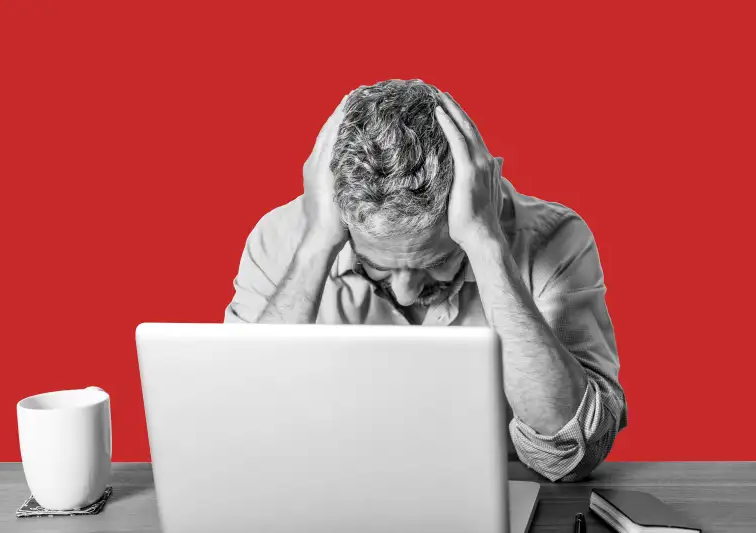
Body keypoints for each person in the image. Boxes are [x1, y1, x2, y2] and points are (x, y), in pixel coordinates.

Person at [224, 79, 627, 482]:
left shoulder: (553, 239)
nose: (405, 292)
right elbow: (240, 432)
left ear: (482, 195)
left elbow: (570, 457)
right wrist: (316, 246)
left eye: (437, 261)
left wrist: (486, 246)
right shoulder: (281, 240)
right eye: (376, 265)